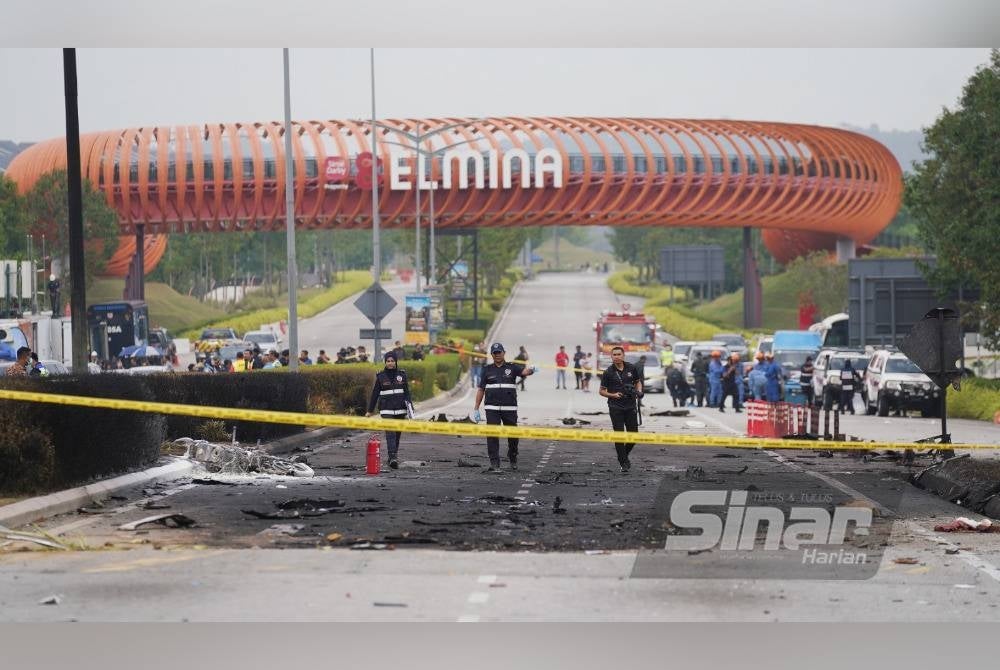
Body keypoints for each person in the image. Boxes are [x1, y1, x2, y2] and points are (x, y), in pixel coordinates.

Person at [472, 343, 536, 472]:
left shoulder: (512, 367)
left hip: (509, 408)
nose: (497, 355)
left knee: (513, 435)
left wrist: (532, 370)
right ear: (492, 355)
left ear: (504, 353)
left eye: (499, 352)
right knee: (492, 435)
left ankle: (512, 457)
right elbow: (481, 389)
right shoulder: (487, 369)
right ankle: (494, 462)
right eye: (495, 353)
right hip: (492, 408)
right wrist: (476, 408)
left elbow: (524, 372)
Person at [599, 346, 643, 473]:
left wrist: (638, 391)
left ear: (623, 355)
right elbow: (601, 391)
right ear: (611, 357)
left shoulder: (631, 368)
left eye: (619, 354)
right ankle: (624, 462)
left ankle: (622, 456)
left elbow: (638, 382)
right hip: (615, 407)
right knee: (619, 435)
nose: (617, 356)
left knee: (633, 435)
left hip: (630, 405)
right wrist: (613, 395)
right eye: (614, 354)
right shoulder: (608, 372)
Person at [366, 351, 413, 469]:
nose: (390, 363)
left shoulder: (402, 375)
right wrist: (370, 410)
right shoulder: (380, 376)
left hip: (400, 410)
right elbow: (375, 394)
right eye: (388, 361)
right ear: (385, 362)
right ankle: (392, 457)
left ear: (395, 362)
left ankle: (393, 456)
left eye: (392, 361)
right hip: (386, 410)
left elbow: (407, 393)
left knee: (397, 434)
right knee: (390, 433)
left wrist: (410, 408)